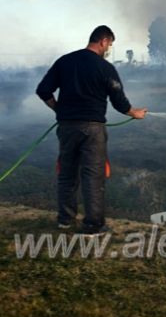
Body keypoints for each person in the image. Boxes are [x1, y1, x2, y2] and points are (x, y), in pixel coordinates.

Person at [36, 25, 147, 236]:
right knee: (93, 176)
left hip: (67, 127)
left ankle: (65, 221)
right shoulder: (105, 68)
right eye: (110, 45)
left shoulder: (65, 61)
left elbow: (43, 90)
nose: (109, 49)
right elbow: (119, 102)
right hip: (93, 130)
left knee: (67, 174)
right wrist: (135, 113)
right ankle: (92, 225)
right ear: (103, 41)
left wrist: (58, 109)